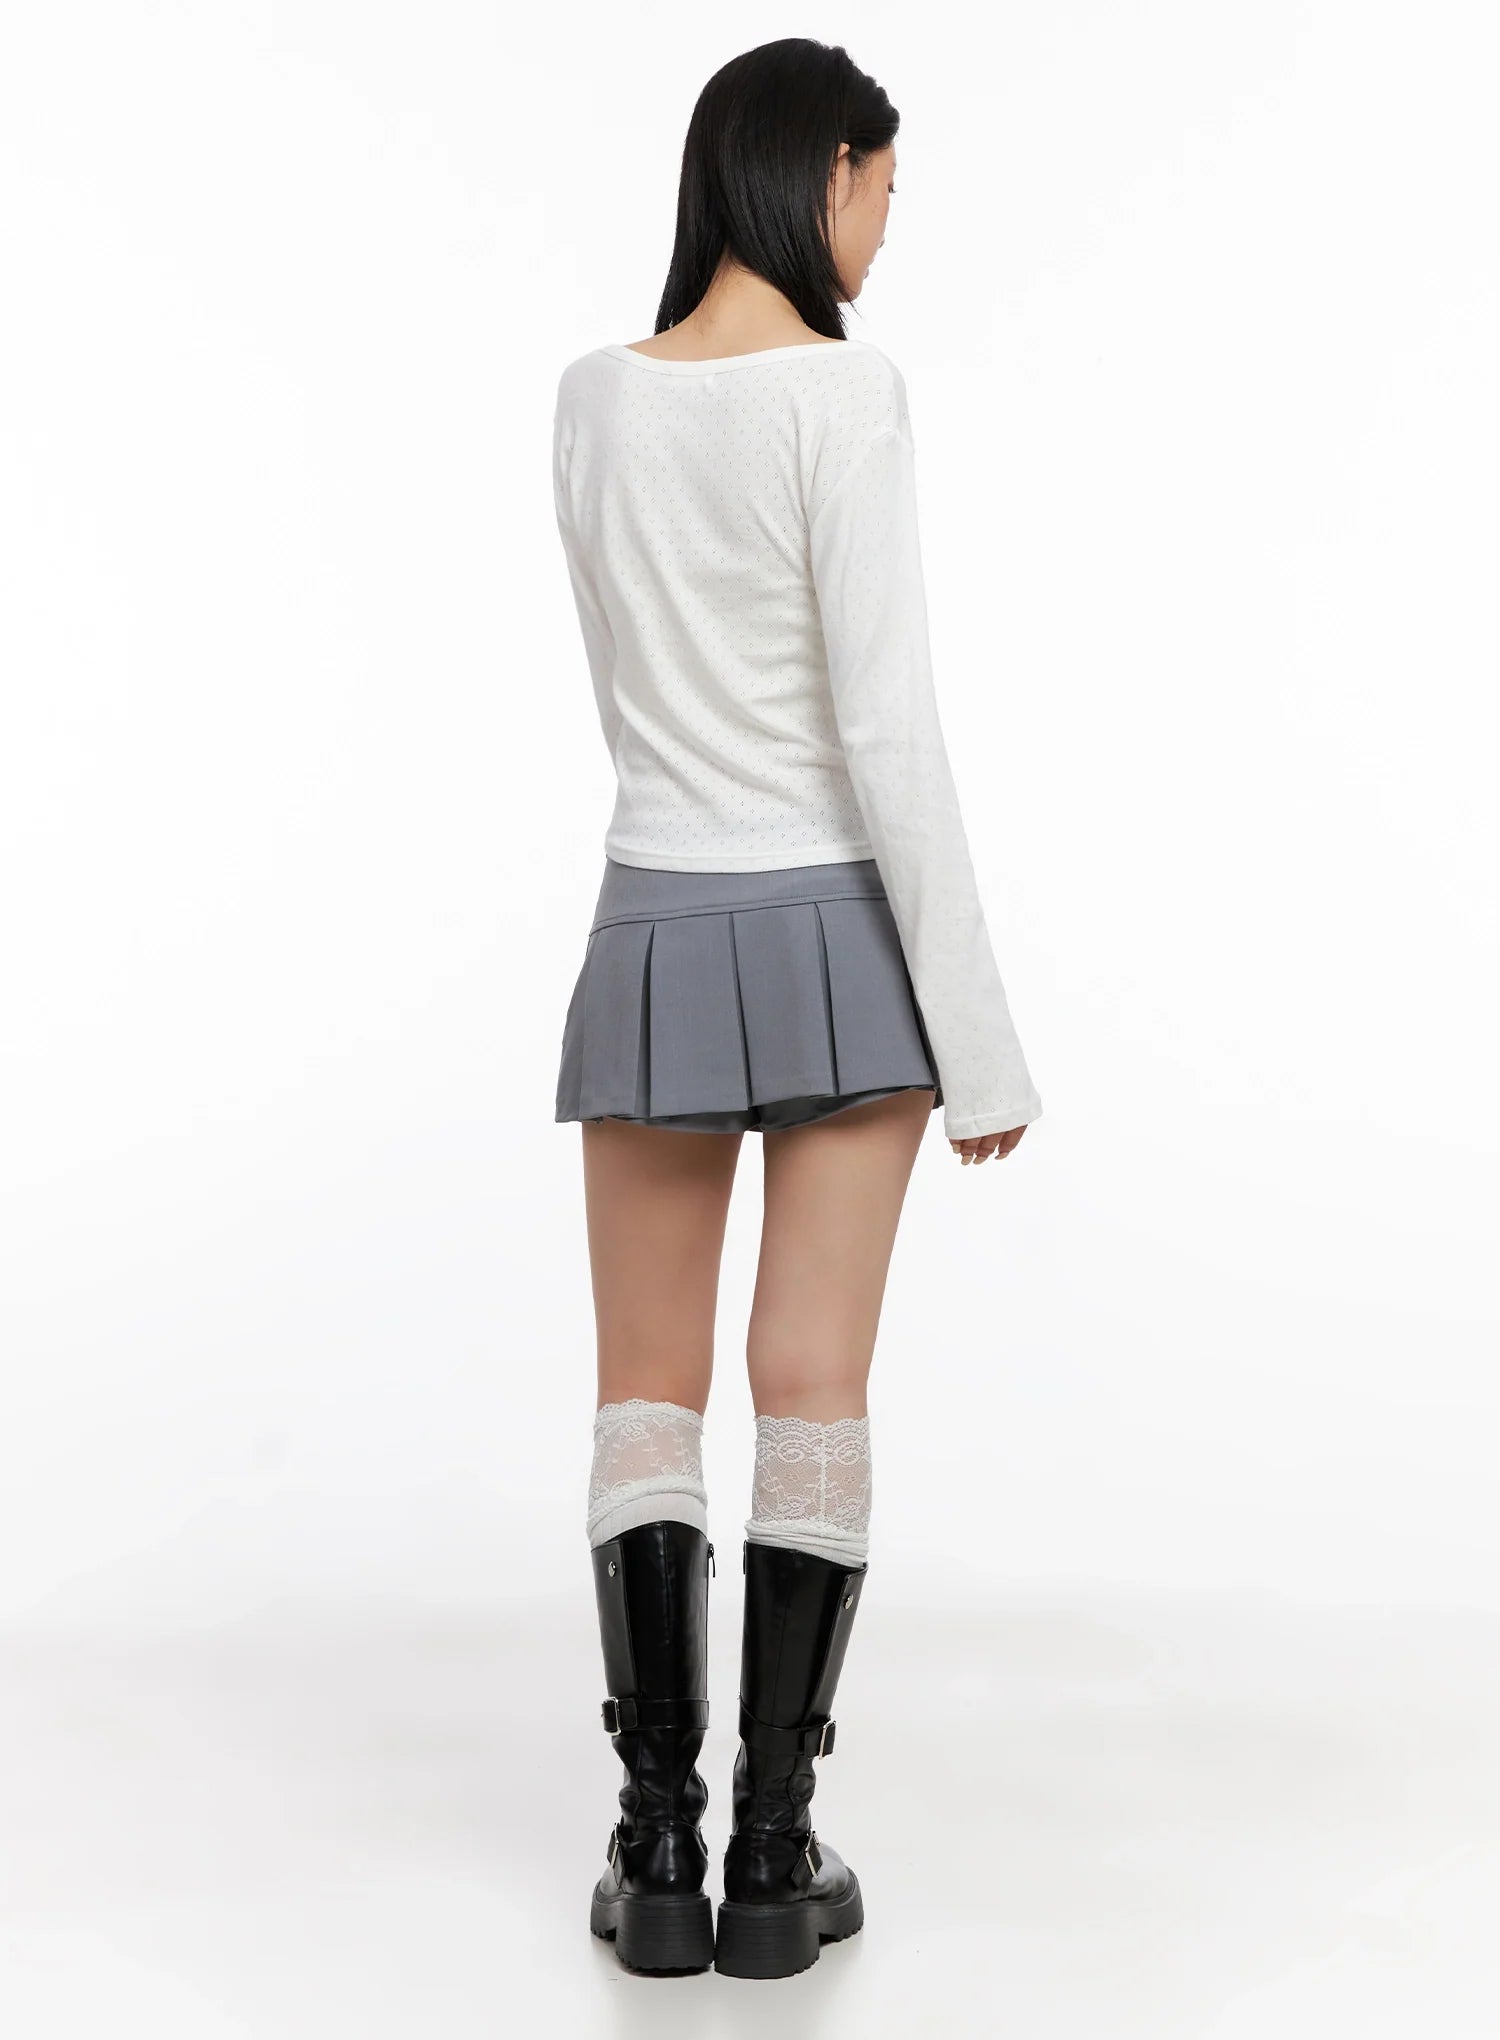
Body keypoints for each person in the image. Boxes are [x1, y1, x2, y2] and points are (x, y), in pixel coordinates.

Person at [550, 38, 1043, 1980]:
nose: (886, 231)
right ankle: (773, 1849)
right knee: (813, 1386)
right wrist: (977, 1037)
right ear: (825, 170)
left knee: (644, 1394)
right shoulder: (848, 393)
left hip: (654, 926)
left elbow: (624, 683)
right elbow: (886, 730)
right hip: (837, 927)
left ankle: (653, 1845)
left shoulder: (592, 400)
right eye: (887, 193)